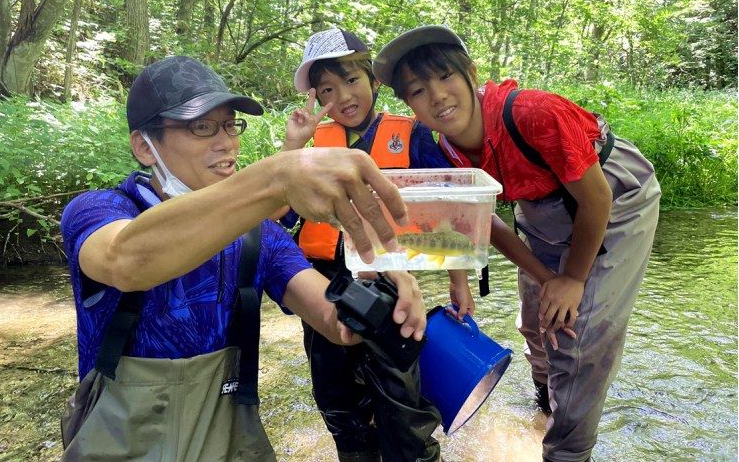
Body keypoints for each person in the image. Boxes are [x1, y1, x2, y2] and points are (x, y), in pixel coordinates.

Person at [59, 55, 429, 461]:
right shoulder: (98, 211)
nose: (226, 142)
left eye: (230, 124)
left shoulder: (260, 235)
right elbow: (124, 262)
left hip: (227, 440)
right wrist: (277, 177)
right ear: (145, 146)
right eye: (202, 127)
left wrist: (379, 300)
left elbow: (332, 322)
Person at [373, 26, 661, 462]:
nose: (437, 96)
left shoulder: (533, 113)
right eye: (417, 90)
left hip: (615, 198)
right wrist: (549, 279)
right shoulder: (443, 146)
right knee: (538, 320)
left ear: (471, 72)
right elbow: (482, 222)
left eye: (446, 77)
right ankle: (546, 402)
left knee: (578, 337)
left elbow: (595, 198)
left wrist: (574, 280)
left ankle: (567, 453)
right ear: (408, 103)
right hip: (539, 203)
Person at [280, 28, 453, 461]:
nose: (343, 97)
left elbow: (449, 213)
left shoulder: (411, 135)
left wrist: (460, 282)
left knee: (403, 409)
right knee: (340, 406)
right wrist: (292, 147)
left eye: (352, 81)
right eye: (328, 90)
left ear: (374, 81)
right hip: (326, 288)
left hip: (392, 288)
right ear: (318, 100)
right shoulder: (311, 148)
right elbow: (281, 220)